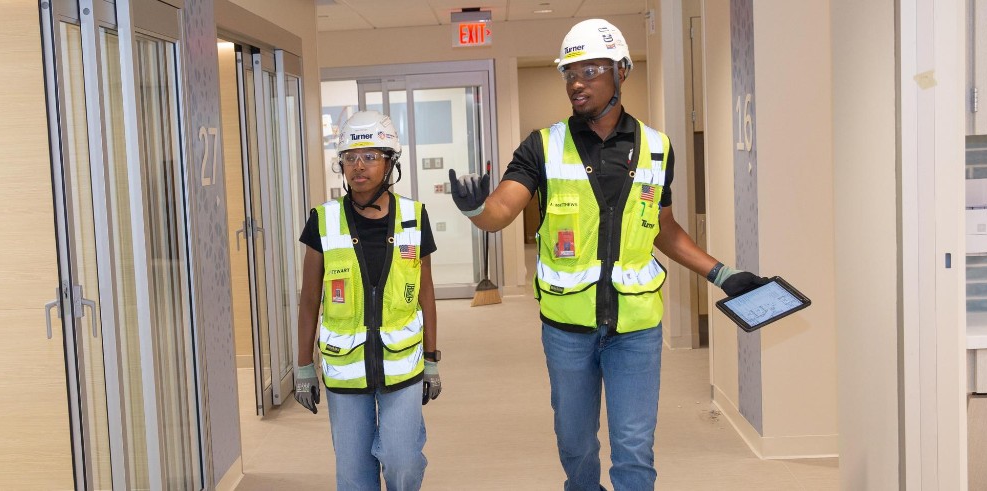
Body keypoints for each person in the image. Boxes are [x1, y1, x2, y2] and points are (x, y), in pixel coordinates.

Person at [448, 19, 769, 491]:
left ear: (622, 71)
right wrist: (477, 208)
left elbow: (663, 229)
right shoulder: (543, 146)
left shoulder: (657, 148)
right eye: (569, 73)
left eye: (590, 70)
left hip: (636, 329)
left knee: (634, 449)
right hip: (567, 329)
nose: (576, 83)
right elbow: (503, 210)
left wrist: (722, 274)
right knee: (575, 444)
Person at [293, 110, 442, 491]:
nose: (358, 166)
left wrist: (431, 359)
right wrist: (303, 367)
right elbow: (310, 299)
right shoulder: (323, 222)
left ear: (391, 162)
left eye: (371, 157)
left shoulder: (414, 216)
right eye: (350, 157)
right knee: (354, 477)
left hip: (402, 363)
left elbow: (426, 292)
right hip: (345, 370)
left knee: (402, 461)